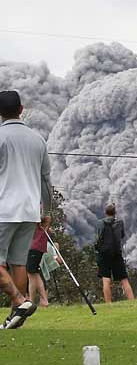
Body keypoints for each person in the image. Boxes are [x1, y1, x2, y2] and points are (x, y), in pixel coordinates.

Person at [0, 91, 53, 329]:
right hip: (30, 211)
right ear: (21, 109)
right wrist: (46, 211)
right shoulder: (37, 139)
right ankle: (16, 318)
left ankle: (19, 301)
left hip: (3, 210)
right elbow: (45, 181)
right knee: (18, 264)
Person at [94, 203, 134, 302]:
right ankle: (132, 301)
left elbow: (97, 237)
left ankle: (109, 304)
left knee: (106, 280)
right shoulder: (120, 223)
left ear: (105, 212)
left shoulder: (100, 223)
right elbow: (122, 235)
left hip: (104, 255)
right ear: (115, 213)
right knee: (124, 279)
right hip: (116, 253)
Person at [25, 216, 56, 307]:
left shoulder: (35, 225)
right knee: (36, 273)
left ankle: (31, 301)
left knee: (31, 275)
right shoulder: (44, 226)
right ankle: (44, 300)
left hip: (32, 248)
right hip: (40, 249)